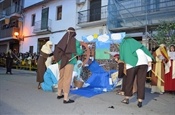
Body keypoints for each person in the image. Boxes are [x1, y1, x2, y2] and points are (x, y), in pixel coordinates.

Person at [119, 37, 153, 108]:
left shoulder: (125, 44)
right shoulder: (139, 46)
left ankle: (127, 98)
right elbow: (148, 54)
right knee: (141, 82)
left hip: (132, 64)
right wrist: (149, 61)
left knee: (129, 81)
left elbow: (122, 57)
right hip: (144, 64)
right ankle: (140, 100)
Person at [53, 27, 84, 104]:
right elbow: (79, 52)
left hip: (61, 62)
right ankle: (66, 98)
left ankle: (59, 94)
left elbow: (57, 51)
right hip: (69, 61)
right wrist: (82, 50)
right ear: (74, 33)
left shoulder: (62, 41)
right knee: (67, 79)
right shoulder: (75, 42)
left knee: (61, 77)